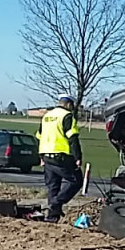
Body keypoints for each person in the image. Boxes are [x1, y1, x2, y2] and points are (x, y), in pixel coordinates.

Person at [35, 95, 83, 223]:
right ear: (68, 105)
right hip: (61, 157)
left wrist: (41, 156)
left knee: (53, 186)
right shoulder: (67, 116)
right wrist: (78, 157)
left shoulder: (47, 116)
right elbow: (72, 138)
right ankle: (56, 203)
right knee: (76, 181)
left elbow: (39, 136)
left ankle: (51, 217)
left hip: (46, 156)